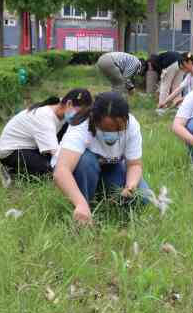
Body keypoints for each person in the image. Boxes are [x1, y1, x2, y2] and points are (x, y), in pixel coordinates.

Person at [53, 92, 151, 224]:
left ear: (126, 119)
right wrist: (80, 204)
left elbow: (134, 165)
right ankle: (83, 205)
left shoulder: (132, 125)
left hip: (110, 167)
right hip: (83, 168)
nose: (112, 134)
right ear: (94, 120)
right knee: (86, 161)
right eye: (105, 129)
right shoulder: (81, 127)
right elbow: (61, 171)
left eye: (118, 129)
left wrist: (130, 186)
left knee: (143, 198)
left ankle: (100, 193)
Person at [0, 88, 93, 186]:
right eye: (79, 114)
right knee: (51, 172)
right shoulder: (45, 118)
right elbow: (57, 154)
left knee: (69, 129)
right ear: (69, 104)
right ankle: (12, 171)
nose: (80, 118)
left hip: (32, 145)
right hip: (11, 151)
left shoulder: (61, 106)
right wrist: (74, 161)